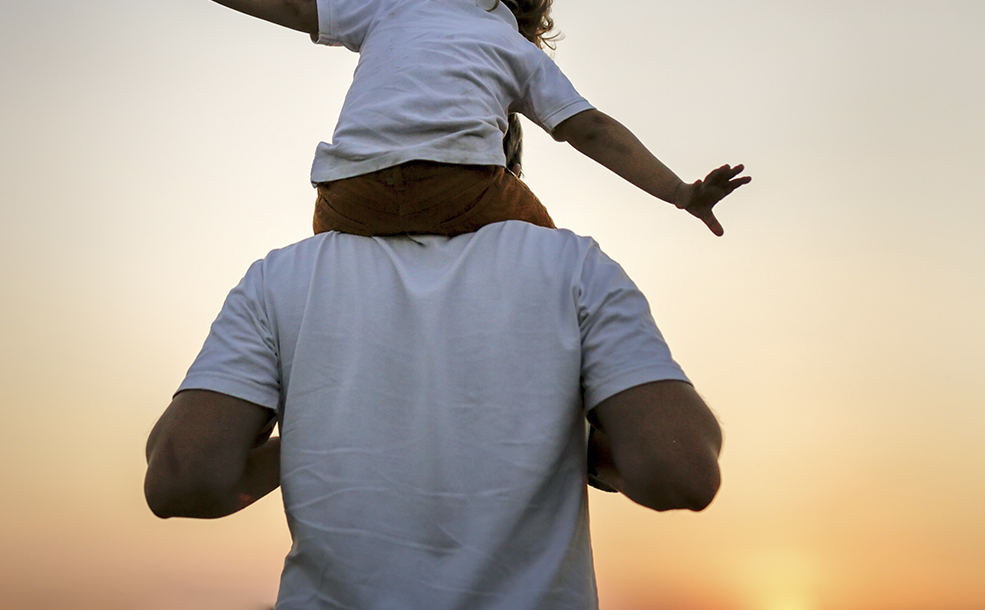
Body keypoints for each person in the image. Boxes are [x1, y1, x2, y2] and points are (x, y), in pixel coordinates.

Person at [143, 221, 723, 609]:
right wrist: (567, 439)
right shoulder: (574, 267)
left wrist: (321, 430)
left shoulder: (280, 279)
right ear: (505, 164)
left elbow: (183, 478)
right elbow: (681, 472)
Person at [153, 0, 750, 237]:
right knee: (552, 260)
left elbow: (297, 3)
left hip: (345, 199)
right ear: (528, 2)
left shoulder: (392, 11)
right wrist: (681, 193)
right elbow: (590, 130)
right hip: (460, 187)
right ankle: (594, 423)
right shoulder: (513, 46)